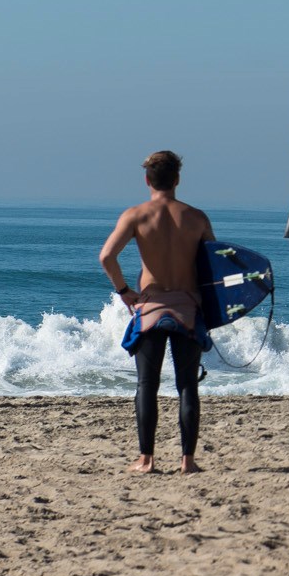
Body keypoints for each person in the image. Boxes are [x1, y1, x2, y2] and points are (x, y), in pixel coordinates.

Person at [98, 150, 213, 476]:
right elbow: (214, 267)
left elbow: (107, 257)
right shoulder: (196, 218)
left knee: (146, 384)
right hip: (187, 310)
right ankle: (187, 461)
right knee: (187, 385)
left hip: (149, 309)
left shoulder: (136, 216)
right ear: (177, 179)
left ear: (147, 180)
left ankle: (146, 460)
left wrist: (124, 292)